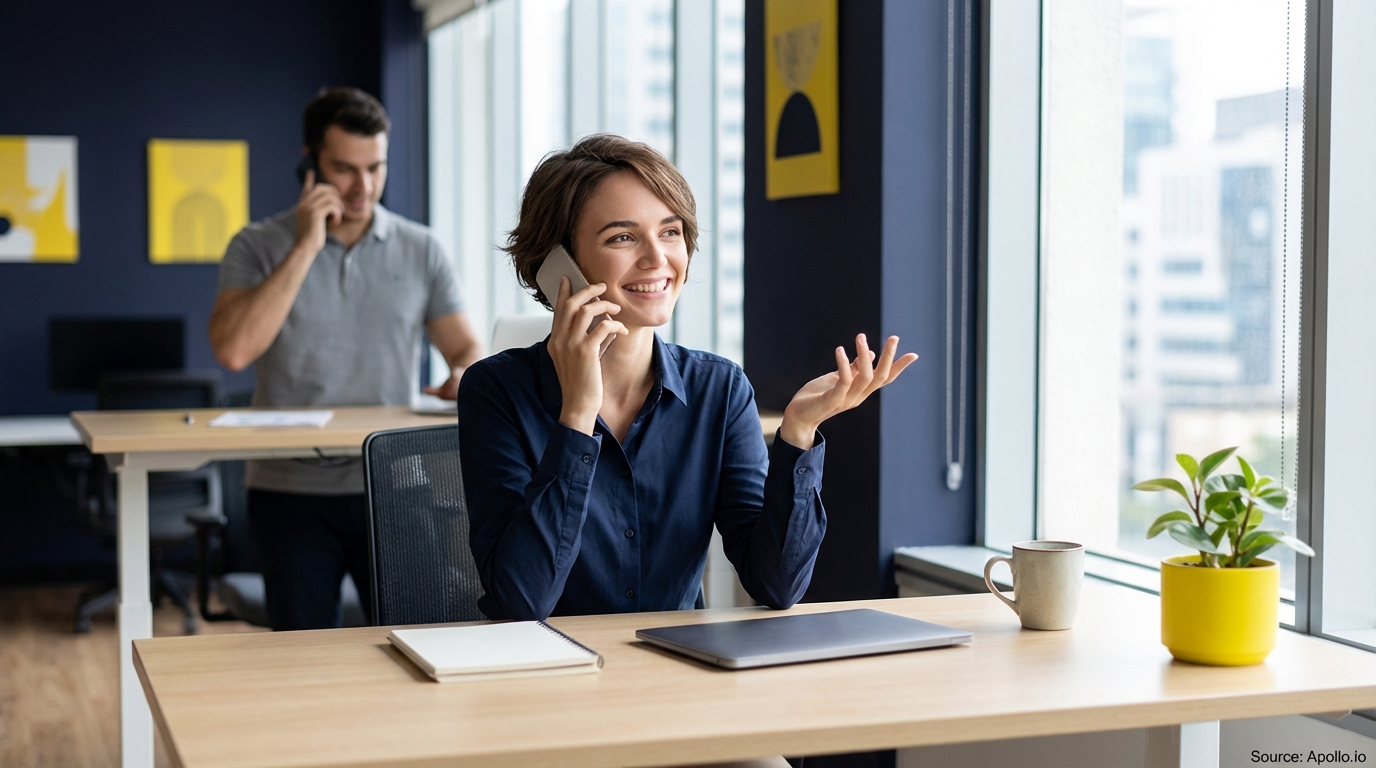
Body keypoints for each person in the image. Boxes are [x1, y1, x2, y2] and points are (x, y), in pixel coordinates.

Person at [458, 134, 917, 621]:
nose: (658, 259)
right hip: (545, 678)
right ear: (558, 265)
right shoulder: (496, 391)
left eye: (670, 232)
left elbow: (777, 585)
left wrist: (799, 433)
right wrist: (576, 416)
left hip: (674, 674)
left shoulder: (718, 391)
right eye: (622, 237)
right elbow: (520, 604)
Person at [209, 87, 482, 630]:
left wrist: (461, 374)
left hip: (396, 482)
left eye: (375, 168)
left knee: (421, 636)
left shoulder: (420, 247)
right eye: (344, 169)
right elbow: (235, 349)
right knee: (306, 660)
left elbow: (467, 349)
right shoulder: (257, 245)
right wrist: (306, 247)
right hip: (289, 490)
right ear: (310, 163)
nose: (363, 187)